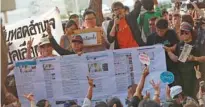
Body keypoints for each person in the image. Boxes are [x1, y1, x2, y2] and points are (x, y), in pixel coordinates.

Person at [166, 22, 199, 98]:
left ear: (191, 33)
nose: (183, 34)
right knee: (183, 95)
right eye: (182, 32)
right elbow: (176, 58)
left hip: (192, 75)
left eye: (186, 32)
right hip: (181, 75)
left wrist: (169, 52)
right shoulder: (180, 44)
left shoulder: (195, 44)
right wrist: (168, 51)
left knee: (191, 95)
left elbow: (178, 59)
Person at [147, 18, 179, 86]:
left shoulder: (171, 33)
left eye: (162, 31)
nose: (160, 33)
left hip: (170, 64)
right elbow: (148, 52)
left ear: (167, 29)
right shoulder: (151, 38)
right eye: (158, 30)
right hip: (158, 65)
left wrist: (168, 49)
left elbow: (176, 46)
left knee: (172, 83)